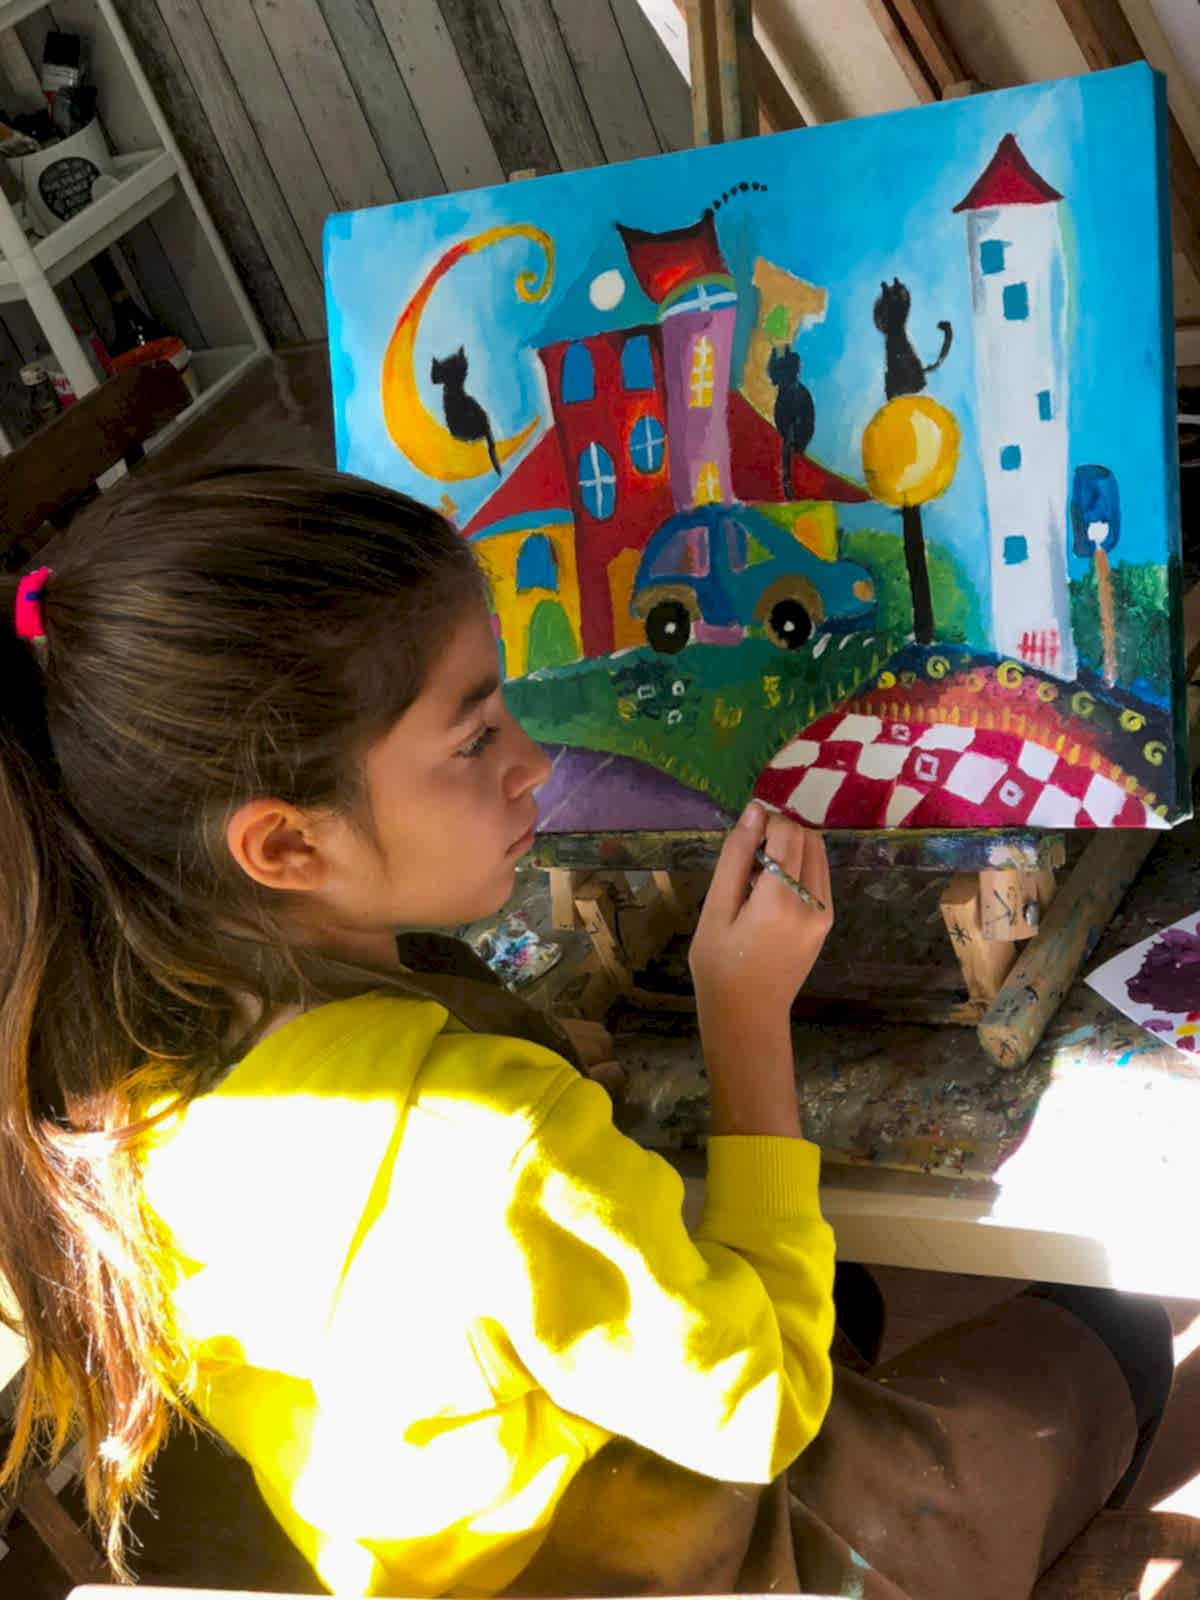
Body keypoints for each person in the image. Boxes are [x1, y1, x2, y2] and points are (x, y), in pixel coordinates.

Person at [0, 464, 1173, 1598]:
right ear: (287, 844)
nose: (533, 762)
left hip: (475, 1556)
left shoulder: (111, 1076)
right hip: (704, 1557)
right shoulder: (491, 1137)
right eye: (475, 739)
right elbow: (766, 1404)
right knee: (1112, 1333)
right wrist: (742, 1019)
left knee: (847, 1297)